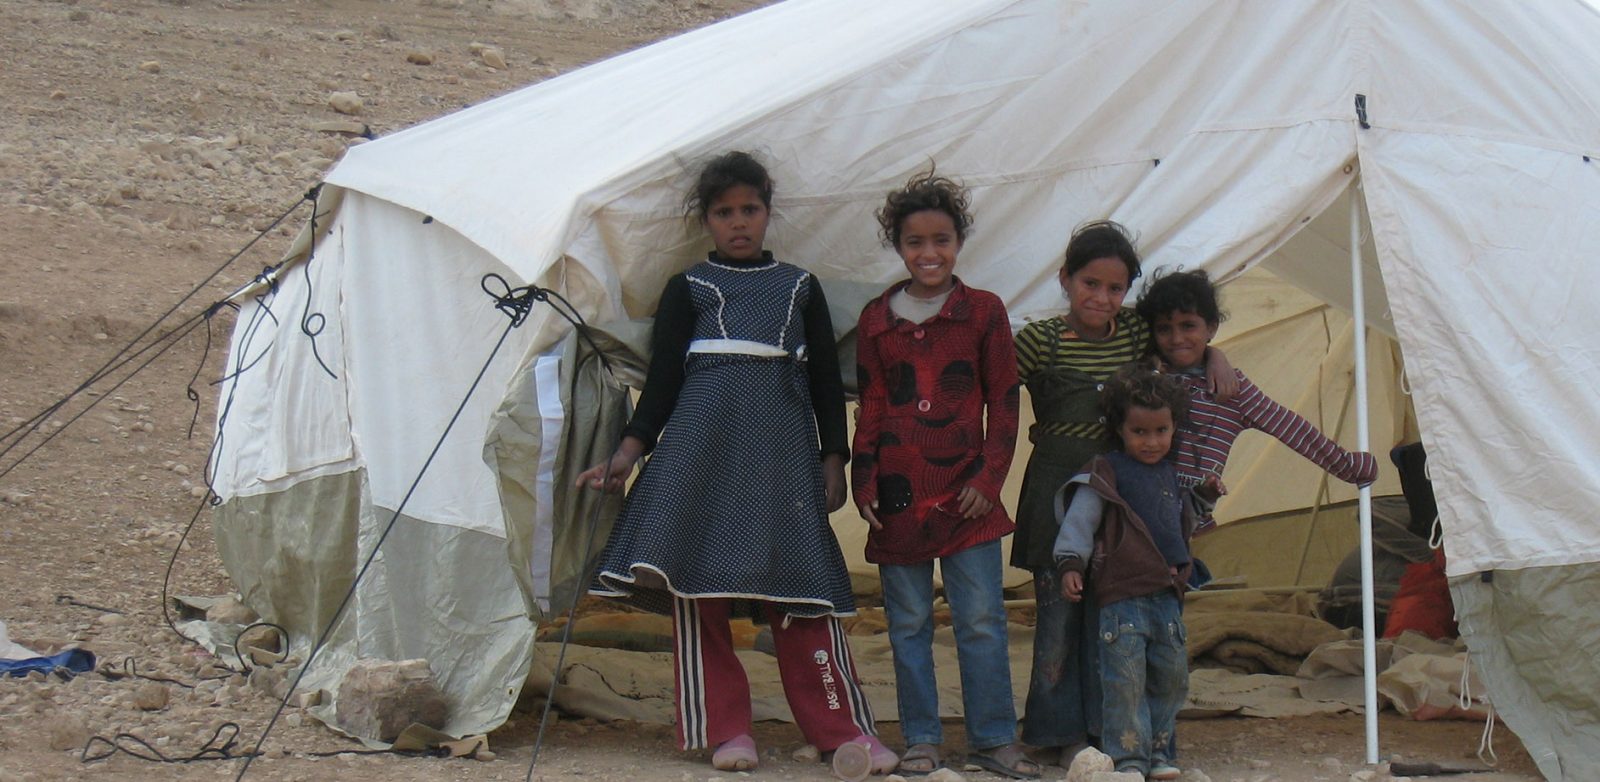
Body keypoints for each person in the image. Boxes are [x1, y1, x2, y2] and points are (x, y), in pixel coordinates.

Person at [578, 151, 896, 775]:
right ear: (707, 221)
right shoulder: (689, 287)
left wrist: (834, 458)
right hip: (698, 451)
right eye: (724, 212)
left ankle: (842, 729)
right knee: (695, 586)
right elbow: (664, 382)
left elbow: (828, 385)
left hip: (780, 455)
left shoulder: (800, 287)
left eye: (749, 209)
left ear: (768, 213)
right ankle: (726, 731)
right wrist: (627, 451)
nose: (738, 221)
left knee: (803, 588)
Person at [1010, 221, 1234, 763]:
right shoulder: (1038, 341)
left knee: (1108, 617)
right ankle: (1053, 733)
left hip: (1121, 499)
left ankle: (1102, 731)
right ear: (1065, 280)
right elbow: (989, 391)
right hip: (1055, 490)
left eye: (1115, 288)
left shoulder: (1135, 334)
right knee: (1058, 616)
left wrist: (1218, 356)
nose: (1102, 297)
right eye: (1090, 283)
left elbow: (1183, 347)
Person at [852, 171, 1037, 779]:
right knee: (907, 623)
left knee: (981, 620)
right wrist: (864, 478)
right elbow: (874, 403)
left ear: (959, 242)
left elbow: (1004, 401)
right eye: (914, 242)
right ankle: (922, 739)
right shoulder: (877, 319)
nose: (928, 254)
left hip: (967, 498)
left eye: (941, 240)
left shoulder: (982, 312)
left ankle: (992, 738)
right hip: (900, 497)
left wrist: (989, 480)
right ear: (898, 246)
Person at [1051, 365, 1220, 781]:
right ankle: (1127, 758)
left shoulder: (1169, 473)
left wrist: (1204, 496)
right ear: (1120, 430)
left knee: (1172, 677)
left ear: (1174, 428)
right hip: (1122, 598)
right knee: (1124, 682)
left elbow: (1180, 522)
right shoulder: (1106, 471)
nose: (1151, 441)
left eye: (1161, 430)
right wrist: (1071, 563)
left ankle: (1160, 752)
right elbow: (1080, 521)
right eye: (1140, 432)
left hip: (1166, 595)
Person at [1135, 268, 1377, 533]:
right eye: (1164, 329)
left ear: (1212, 327)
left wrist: (1347, 467)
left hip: (1186, 521)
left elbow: (1290, 427)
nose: (1177, 338)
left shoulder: (1230, 389)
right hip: (1136, 511)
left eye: (1188, 326)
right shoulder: (1144, 378)